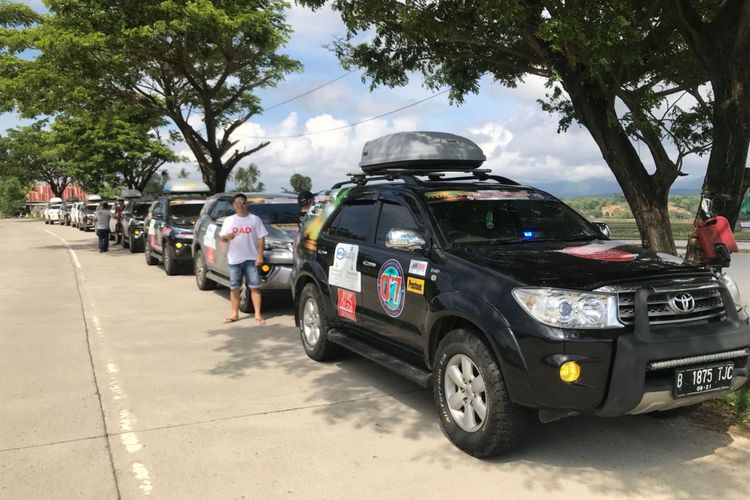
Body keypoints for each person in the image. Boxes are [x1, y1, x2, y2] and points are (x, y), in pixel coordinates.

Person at [219, 193, 269, 325]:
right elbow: (222, 238)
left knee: (255, 287)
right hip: (235, 259)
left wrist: (259, 255)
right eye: (237, 203)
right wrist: (227, 237)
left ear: (247, 204)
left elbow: (261, 238)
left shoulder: (254, 219)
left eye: (242, 202)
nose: (240, 205)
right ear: (233, 205)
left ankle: (257, 315)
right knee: (235, 287)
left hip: (251, 258)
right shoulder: (229, 220)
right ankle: (234, 314)